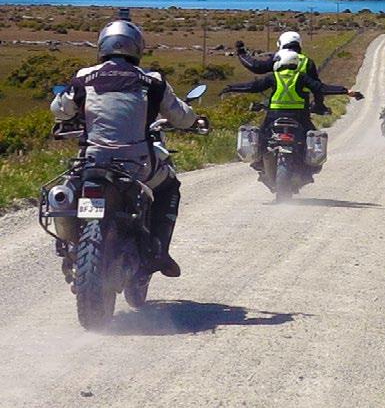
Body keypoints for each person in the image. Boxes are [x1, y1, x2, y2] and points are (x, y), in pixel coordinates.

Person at [50, 19, 198, 278]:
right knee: (168, 186)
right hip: (137, 165)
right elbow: (182, 118)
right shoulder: (152, 81)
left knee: (65, 191)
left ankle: (68, 243)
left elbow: (58, 110)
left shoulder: (84, 76)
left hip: (93, 162)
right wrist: (194, 120)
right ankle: (159, 251)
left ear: (103, 45)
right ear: (136, 47)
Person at [222, 49, 363, 183]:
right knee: (309, 138)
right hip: (299, 116)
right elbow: (321, 88)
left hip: (274, 116)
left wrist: (231, 87)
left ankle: (259, 162)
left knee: (262, 138)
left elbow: (253, 86)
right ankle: (308, 167)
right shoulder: (301, 77)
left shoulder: (273, 77)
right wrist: (345, 91)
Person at [235, 30, 327, 111]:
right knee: (309, 129)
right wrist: (319, 105)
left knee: (263, 130)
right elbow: (317, 88)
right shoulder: (307, 62)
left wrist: (242, 54)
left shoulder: (278, 57)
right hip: (301, 106)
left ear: (281, 43)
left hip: (276, 105)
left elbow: (257, 67)